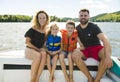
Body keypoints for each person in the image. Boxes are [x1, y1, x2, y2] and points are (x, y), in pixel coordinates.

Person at [72, 9, 113, 82]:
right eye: (81, 15)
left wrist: (108, 56)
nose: (83, 17)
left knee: (105, 53)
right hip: (85, 49)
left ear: (89, 17)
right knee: (74, 55)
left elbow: (105, 39)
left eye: (85, 15)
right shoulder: (76, 28)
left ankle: (96, 80)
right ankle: (90, 78)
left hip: (96, 48)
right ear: (78, 17)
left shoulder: (94, 27)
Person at [24, 10, 50, 82]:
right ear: (37, 19)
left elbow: (46, 43)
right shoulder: (33, 28)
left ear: (47, 19)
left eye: (43, 18)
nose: (42, 19)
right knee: (38, 55)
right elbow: (27, 42)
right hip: (30, 49)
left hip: (39, 50)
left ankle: (37, 79)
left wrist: (45, 49)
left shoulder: (47, 30)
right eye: (40, 18)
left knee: (44, 54)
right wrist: (38, 49)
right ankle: (32, 80)